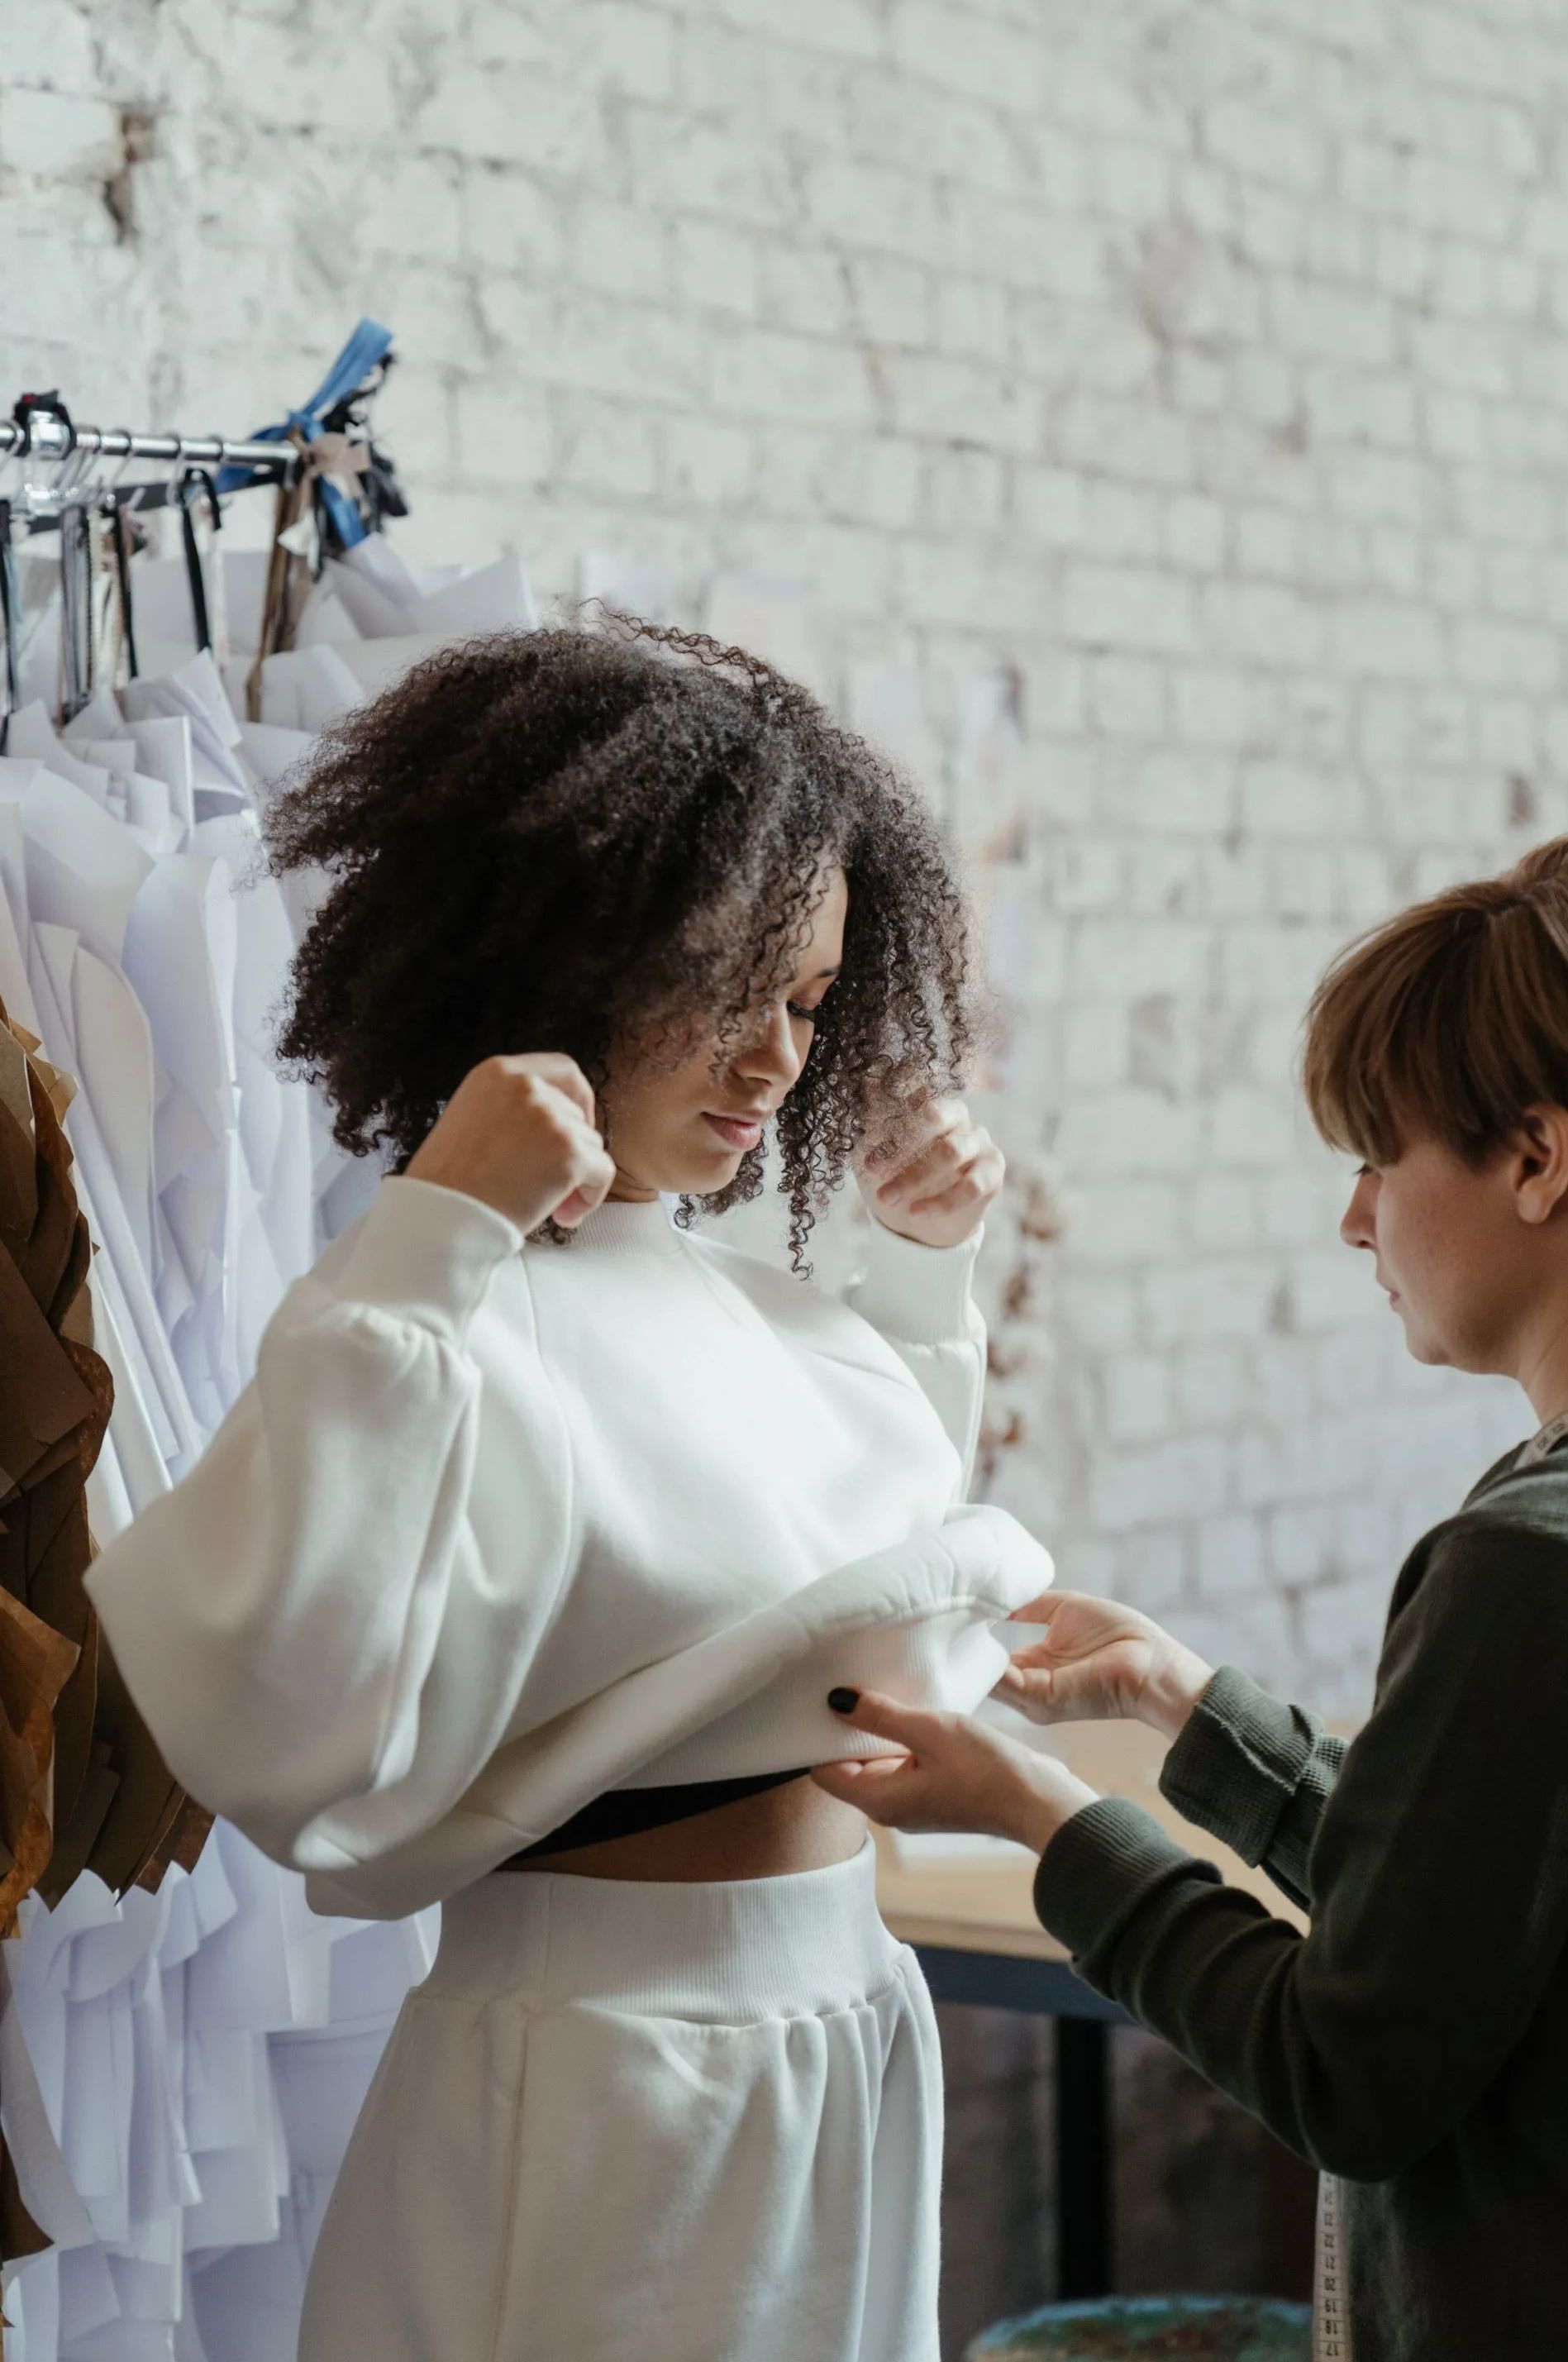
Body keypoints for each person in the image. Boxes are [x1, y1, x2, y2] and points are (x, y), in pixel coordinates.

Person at [84, 622, 1057, 2362]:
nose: (772, 1061)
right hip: (614, 2071)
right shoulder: (423, 1316)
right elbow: (265, 1704)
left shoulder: (734, 1304)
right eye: (725, 985)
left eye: (811, 1003)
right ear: (563, 955)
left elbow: (850, 1575)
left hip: (838, 2013)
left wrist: (920, 1266)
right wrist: (438, 1230)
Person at [814, 838, 1568, 2362]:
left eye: (1376, 1158)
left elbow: (1345, 2066)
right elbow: (1457, 1906)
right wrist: (1185, 1702)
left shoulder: (1521, 1561)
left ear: (1538, 1159)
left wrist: (1042, 1817)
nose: (1353, 1222)